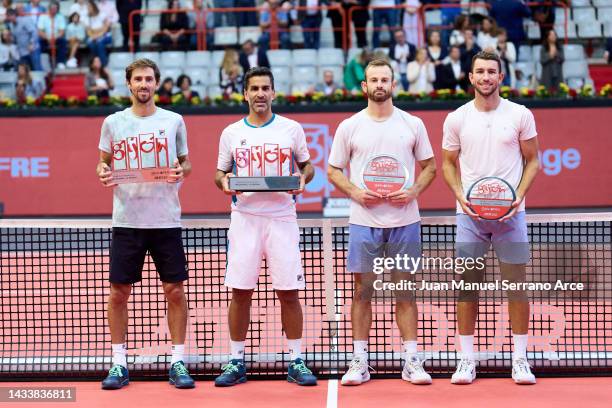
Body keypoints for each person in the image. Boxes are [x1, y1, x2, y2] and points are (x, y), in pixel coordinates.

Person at [327, 58, 436, 386]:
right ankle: (360, 361)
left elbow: (430, 166)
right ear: (364, 86)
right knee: (362, 291)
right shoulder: (349, 126)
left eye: (384, 79)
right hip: (364, 221)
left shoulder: (412, 124)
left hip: (405, 220)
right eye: (373, 79)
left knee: (405, 290)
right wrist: (354, 192)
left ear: (393, 84)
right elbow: (333, 170)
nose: (379, 84)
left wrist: (414, 190)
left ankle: (411, 360)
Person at [214, 66, 317, 387]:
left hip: (282, 218)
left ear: (273, 93)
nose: (260, 94)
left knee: (289, 291)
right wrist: (225, 182)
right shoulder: (231, 133)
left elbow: (307, 167)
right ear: (244, 94)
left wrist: (302, 179)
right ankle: (235, 360)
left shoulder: (291, 129)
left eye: (265, 88)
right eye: (254, 88)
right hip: (244, 219)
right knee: (240, 291)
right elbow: (219, 174)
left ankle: (296, 359)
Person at [441, 50, 539, 385]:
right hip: (470, 217)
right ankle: (466, 361)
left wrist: (518, 197)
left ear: (501, 76)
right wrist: (460, 196)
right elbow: (448, 164)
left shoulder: (520, 114)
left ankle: (520, 360)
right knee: (468, 287)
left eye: (491, 72)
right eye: (479, 71)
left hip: (511, 216)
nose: (485, 77)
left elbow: (533, 161)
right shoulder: (456, 118)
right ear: (470, 77)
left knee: (517, 287)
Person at [96, 58, 195, 390]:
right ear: (128, 84)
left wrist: (184, 170)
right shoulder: (113, 122)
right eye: (138, 79)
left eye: (149, 79)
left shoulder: (174, 121)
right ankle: (119, 364)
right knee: (118, 293)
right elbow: (103, 163)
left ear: (156, 83)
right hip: (127, 219)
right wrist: (102, 172)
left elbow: (185, 163)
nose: (143, 84)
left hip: (166, 219)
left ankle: (178, 360)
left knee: (176, 291)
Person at [37, 0, 67, 69]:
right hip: (46, 38)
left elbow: (62, 31)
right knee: (39, 42)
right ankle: (44, 63)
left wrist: (54, 38)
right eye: (52, 8)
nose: (54, 10)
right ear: (49, 8)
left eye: (55, 8)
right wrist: (48, 38)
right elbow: (40, 31)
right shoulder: (43, 16)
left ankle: (60, 62)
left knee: (63, 41)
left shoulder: (60, 17)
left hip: (56, 37)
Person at [86, 0, 112, 67]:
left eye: (89, 7)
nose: (88, 9)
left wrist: (97, 33)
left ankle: (104, 64)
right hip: (94, 36)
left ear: (93, 7)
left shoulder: (102, 14)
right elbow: (88, 31)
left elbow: (106, 28)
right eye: (87, 7)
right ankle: (96, 63)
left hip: (105, 35)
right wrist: (94, 35)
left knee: (99, 43)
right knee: (90, 43)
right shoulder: (88, 18)